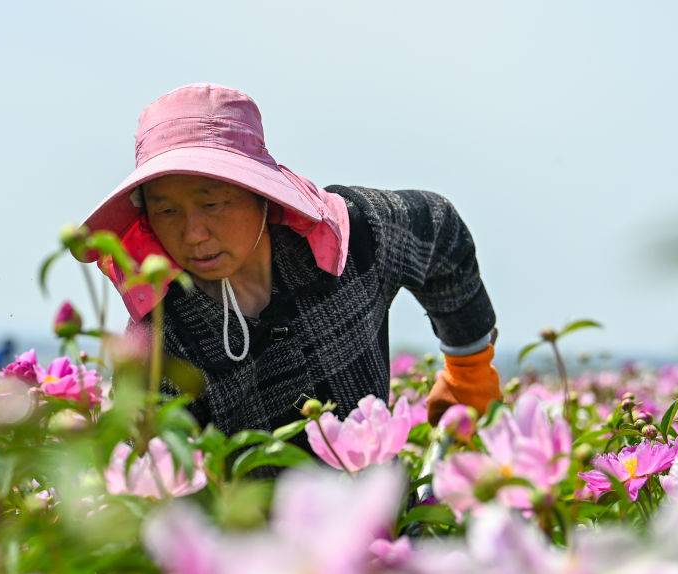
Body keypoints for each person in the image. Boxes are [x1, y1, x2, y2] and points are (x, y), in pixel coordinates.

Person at [79, 82, 501, 444]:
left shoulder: (353, 237)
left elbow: (439, 227)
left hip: (380, 518)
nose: (193, 234)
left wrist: (468, 368)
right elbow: (153, 472)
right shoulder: (163, 335)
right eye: (167, 211)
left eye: (212, 203)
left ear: (261, 193)